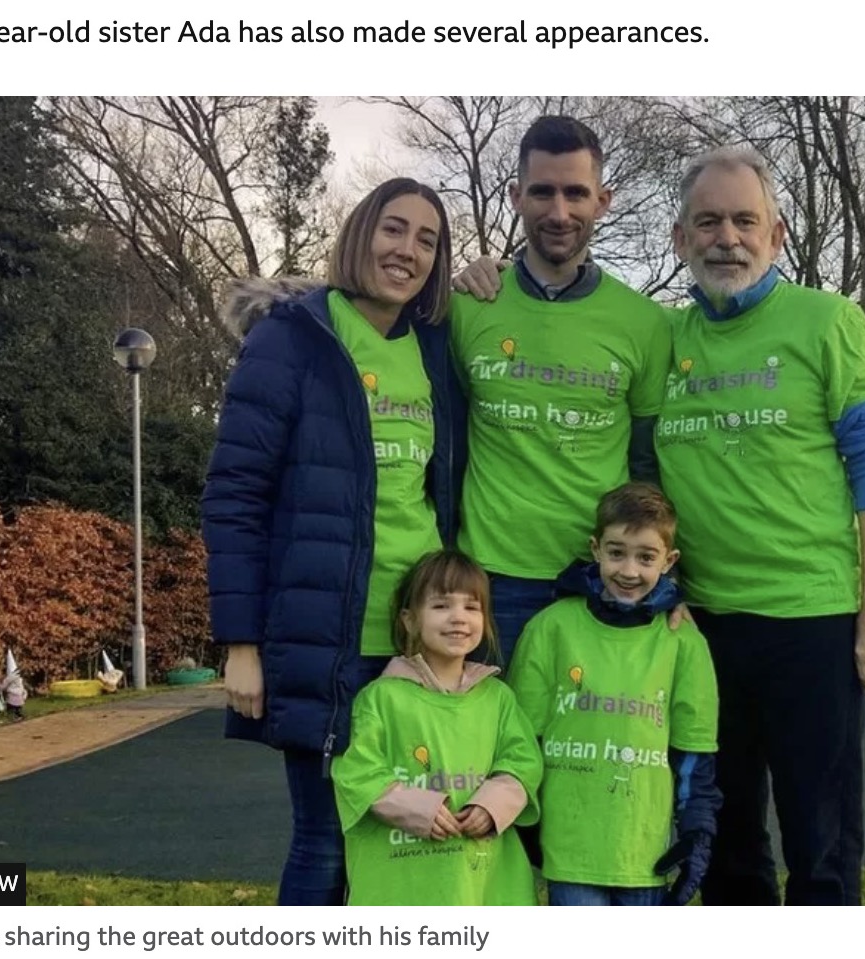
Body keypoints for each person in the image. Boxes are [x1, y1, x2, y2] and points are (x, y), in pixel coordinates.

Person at [201, 178, 467, 906]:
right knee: (326, 838)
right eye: (393, 229)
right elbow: (235, 495)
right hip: (325, 635)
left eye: (427, 240)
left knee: (400, 840)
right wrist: (242, 642)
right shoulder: (292, 339)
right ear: (358, 235)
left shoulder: (436, 350)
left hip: (418, 637)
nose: (406, 250)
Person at [654, 147, 865, 906]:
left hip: (813, 622)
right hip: (702, 628)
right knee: (725, 842)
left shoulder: (828, 321)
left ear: (778, 233)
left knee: (819, 843)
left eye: (743, 220)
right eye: (708, 221)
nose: (725, 236)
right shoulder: (659, 340)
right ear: (679, 239)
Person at [449, 116, 673, 663]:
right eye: (542, 192)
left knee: (584, 748)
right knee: (487, 749)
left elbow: (648, 464)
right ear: (516, 197)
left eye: (576, 193)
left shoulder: (645, 323)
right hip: (488, 581)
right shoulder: (467, 305)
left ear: (602, 200)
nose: (559, 212)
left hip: (601, 581)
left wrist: (660, 578)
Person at [509, 482, 720, 906]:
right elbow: (520, 741)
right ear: (595, 548)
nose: (629, 570)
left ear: (669, 560)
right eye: (616, 552)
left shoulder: (684, 642)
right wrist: (525, 821)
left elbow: (694, 752)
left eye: (646, 557)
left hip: (644, 853)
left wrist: (697, 830)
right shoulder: (550, 628)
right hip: (571, 849)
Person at [332, 549, 542, 905]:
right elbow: (356, 771)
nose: (458, 618)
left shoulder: (498, 698)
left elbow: (524, 762)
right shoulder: (381, 698)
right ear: (409, 620)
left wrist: (492, 806)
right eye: (441, 606)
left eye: (471, 607)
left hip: (483, 884)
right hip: (404, 882)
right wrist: (416, 809)